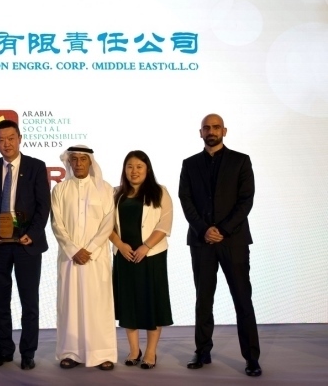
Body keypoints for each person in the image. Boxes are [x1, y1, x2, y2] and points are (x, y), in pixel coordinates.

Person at [179, 113, 261, 377]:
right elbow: (185, 200)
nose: (211, 131)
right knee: (203, 300)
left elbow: (246, 200)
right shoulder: (189, 164)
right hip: (201, 241)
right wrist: (204, 230)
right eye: (206, 128)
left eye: (216, 127)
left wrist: (222, 230)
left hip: (233, 240)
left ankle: (251, 358)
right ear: (200, 132)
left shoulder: (241, 161)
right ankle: (202, 351)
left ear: (224, 131)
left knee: (242, 299)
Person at [0, 119, 50, 371]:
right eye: (1, 140)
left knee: (29, 302)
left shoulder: (36, 167)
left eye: (10, 138)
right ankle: (5, 350)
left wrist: (33, 233)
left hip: (27, 244)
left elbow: (43, 205)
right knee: (0, 301)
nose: (6, 144)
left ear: (19, 138)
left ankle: (28, 353)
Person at [50, 145, 117, 370]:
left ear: (90, 162)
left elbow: (108, 223)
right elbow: (57, 224)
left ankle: (102, 353)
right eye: (74, 159)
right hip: (70, 259)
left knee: (99, 305)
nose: (78, 163)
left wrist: (90, 249)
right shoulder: (59, 190)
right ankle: (71, 353)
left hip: (96, 259)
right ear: (69, 162)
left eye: (83, 159)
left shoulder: (105, 189)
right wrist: (73, 250)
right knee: (70, 306)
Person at [110, 150, 173, 370]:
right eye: (130, 166)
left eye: (139, 166)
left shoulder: (160, 192)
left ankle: (150, 352)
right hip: (124, 256)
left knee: (151, 303)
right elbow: (106, 225)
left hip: (152, 256)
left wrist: (146, 247)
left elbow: (164, 224)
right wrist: (120, 245)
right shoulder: (115, 193)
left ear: (147, 169)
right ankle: (134, 350)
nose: (134, 171)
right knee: (129, 304)